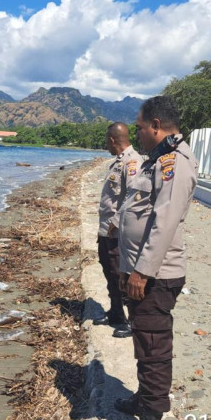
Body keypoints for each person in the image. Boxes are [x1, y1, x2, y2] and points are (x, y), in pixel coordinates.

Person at [107, 95, 198, 420]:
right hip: (141, 270)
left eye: (142, 127)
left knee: (153, 350)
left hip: (155, 276)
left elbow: (164, 222)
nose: (139, 133)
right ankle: (145, 399)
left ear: (156, 125)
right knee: (145, 342)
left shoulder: (175, 163)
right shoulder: (159, 159)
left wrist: (142, 272)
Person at [94, 122, 143, 338]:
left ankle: (134, 321)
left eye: (107, 140)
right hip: (106, 229)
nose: (106, 144)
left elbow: (133, 195)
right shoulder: (118, 162)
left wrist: (115, 220)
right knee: (109, 272)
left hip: (117, 230)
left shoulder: (132, 162)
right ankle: (115, 313)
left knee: (121, 274)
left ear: (113, 140)